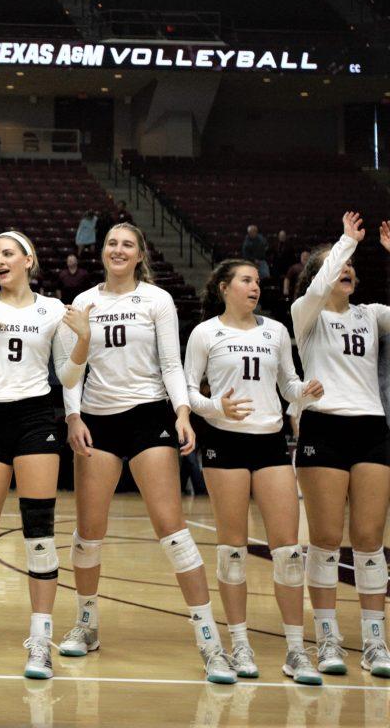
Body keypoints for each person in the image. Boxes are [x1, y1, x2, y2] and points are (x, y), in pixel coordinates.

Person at [57, 223, 235, 684]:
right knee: (88, 532)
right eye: (112, 243)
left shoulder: (156, 300)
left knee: (172, 529)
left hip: (148, 415)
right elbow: (71, 369)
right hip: (97, 419)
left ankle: (209, 641)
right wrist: (74, 416)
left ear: (139, 255)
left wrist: (181, 411)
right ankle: (87, 623)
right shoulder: (81, 302)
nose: (118, 250)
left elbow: (171, 363)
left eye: (127, 245)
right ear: (102, 252)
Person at [0, 231, 87, 678]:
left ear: (28, 259)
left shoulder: (52, 310)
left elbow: (66, 375)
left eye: (7, 254)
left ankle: (40, 639)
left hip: (36, 421)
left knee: (40, 535)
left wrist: (82, 339)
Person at [184, 259, 324, 685]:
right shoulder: (205, 332)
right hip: (223, 441)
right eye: (246, 280)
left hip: (269, 441)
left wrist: (305, 392)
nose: (255, 287)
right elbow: (188, 389)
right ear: (225, 288)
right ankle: (239, 643)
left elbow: (288, 384)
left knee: (288, 551)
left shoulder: (276, 332)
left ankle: (296, 650)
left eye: (258, 281)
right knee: (232, 550)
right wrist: (214, 407)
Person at [290, 212, 390, 678]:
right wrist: (344, 244)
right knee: (326, 539)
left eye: (350, 262)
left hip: (370, 428)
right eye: (335, 264)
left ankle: (375, 642)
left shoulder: (371, 315)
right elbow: (316, 288)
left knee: (370, 541)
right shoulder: (304, 316)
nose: (345, 267)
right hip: (324, 428)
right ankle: (328, 638)